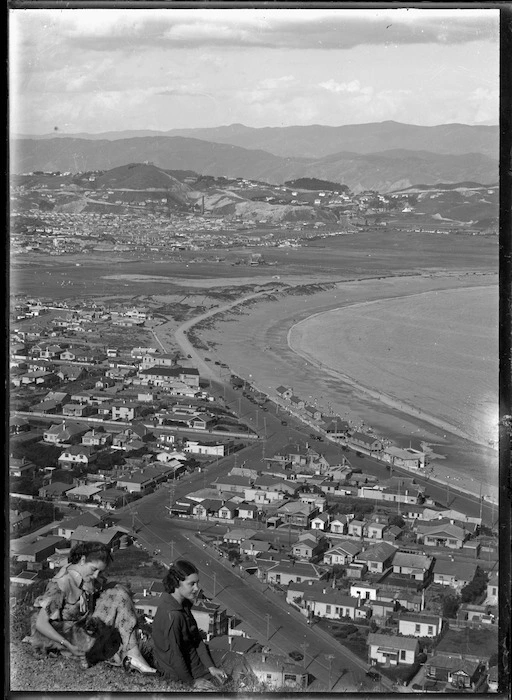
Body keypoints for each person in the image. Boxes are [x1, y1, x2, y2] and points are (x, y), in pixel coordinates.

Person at [24, 541, 156, 674]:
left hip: (82, 635)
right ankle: (132, 656)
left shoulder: (84, 577)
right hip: (68, 642)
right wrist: (67, 645)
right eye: (93, 569)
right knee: (119, 596)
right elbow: (41, 623)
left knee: (118, 591)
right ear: (82, 560)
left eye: (100, 571)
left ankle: (133, 654)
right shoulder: (63, 583)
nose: (96, 575)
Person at [152, 559, 227, 690]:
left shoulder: (182, 604)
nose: (196, 588)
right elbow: (175, 656)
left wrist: (211, 667)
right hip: (182, 672)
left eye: (197, 583)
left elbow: (196, 639)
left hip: (194, 661)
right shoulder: (173, 615)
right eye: (191, 584)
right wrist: (191, 682)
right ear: (176, 582)